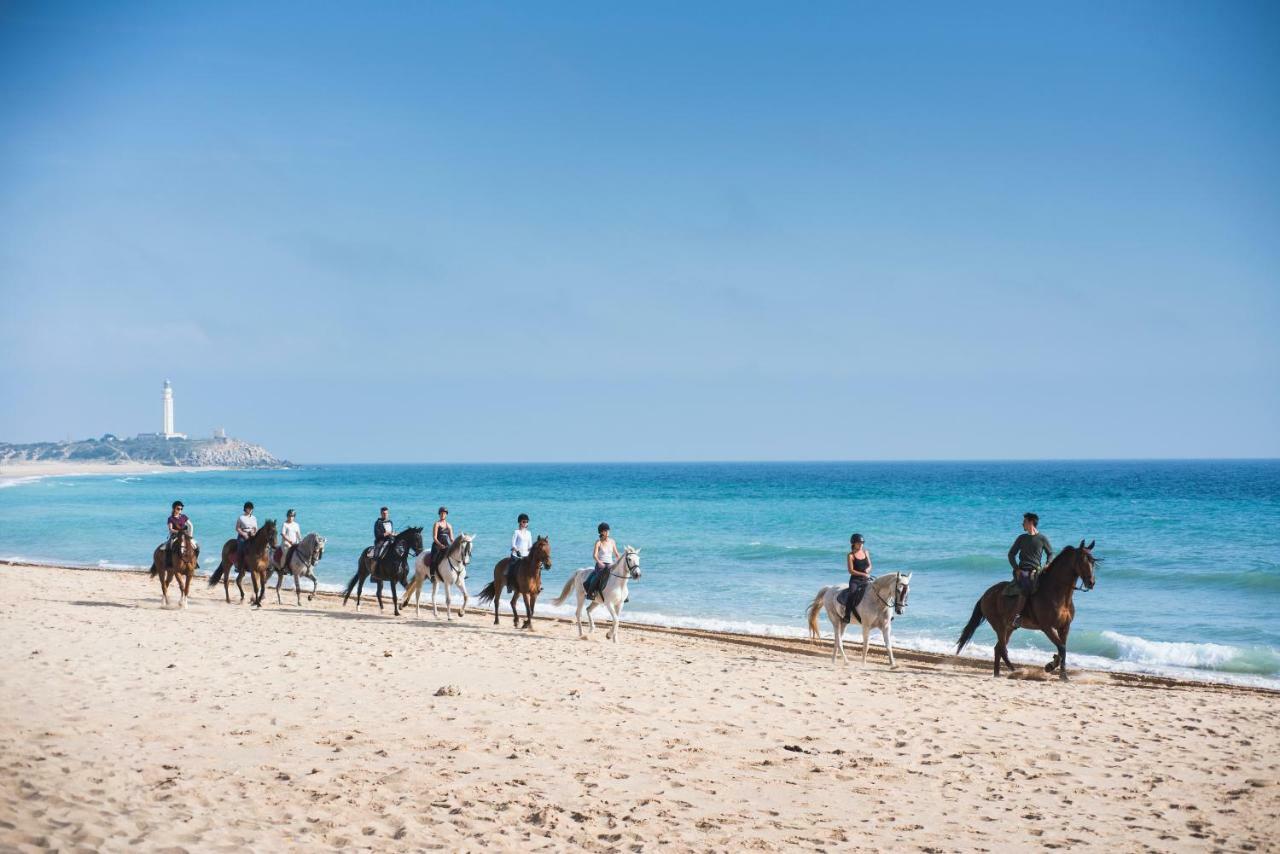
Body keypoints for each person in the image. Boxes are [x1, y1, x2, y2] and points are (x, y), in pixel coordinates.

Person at [1008, 512, 1053, 628]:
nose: (1022, 523)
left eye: (1024, 521)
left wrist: (1048, 564)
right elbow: (1011, 554)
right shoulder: (1021, 538)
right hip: (1022, 570)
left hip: (1037, 571)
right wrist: (1016, 569)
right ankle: (1017, 617)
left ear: (1030, 522)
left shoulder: (1042, 538)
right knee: (1026, 588)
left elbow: (1050, 553)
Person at [588, 522, 621, 600]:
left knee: (620, 574)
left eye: (608, 530)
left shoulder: (612, 541)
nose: (607, 532)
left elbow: (616, 554)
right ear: (601, 532)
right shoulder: (598, 542)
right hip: (601, 564)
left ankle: (624, 595)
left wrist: (619, 561)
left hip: (610, 564)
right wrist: (600, 562)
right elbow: (594, 555)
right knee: (599, 576)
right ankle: (590, 593)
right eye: (605, 531)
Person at [845, 533, 872, 623]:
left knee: (878, 591)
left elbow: (870, 565)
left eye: (862, 543)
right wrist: (863, 574)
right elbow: (851, 570)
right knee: (851, 594)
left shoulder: (866, 552)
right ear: (853, 544)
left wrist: (868, 569)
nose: (861, 545)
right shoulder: (850, 555)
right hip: (855, 580)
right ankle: (847, 615)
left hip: (866, 579)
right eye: (859, 543)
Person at [165, 500, 189, 568]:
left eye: (181, 509)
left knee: (196, 546)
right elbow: (171, 529)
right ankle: (169, 562)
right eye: (178, 508)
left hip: (184, 535)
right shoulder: (170, 518)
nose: (180, 510)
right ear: (174, 508)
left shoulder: (184, 516)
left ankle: (194, 562)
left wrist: (190, 534)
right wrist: (179, 532)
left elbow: (190, 525)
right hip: (175, 536)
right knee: (169, 546)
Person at [430, 506, 454, 573]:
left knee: (454, 556)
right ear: (439, 514)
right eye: (441, 513)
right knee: (433, 559)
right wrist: (440, 545)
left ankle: (458, 572)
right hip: (437, 544)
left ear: (446, 514)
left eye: (444, 513)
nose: (442, 515)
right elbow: (434, 537)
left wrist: (455, 544)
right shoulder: (437, 524)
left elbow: (451, 538)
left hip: (446, 545)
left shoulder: (449, 525)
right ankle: (432, 575)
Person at [235, 502, 258, 569]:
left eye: (251, 509)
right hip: (243, 535)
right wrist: (244, 534)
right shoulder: (241, 518)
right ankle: (238, 565)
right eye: (249, 508)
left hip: (252, 535)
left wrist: (254, 532)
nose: (251, 510)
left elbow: (256, 528)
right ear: (245, 509)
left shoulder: (254, 518)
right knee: (241, 547)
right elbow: (237, 528)